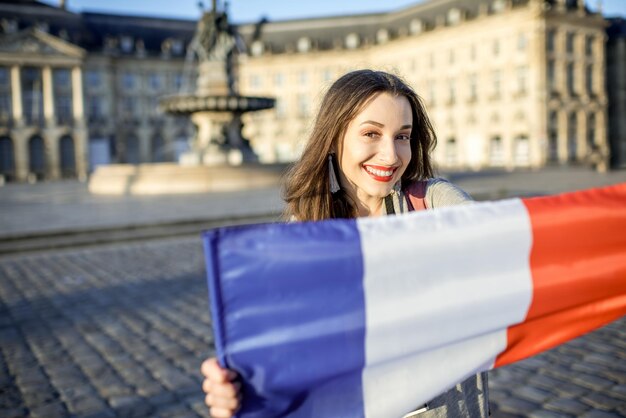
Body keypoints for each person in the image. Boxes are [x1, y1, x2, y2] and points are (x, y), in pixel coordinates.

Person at [201, 69, 489, 417]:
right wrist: (236, 388)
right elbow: (282, 350)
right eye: (371, 133)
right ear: (335, 138)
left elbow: (493, 237)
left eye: (402, 136)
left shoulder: (432, 202)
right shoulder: (302, 235)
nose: (391, 155)